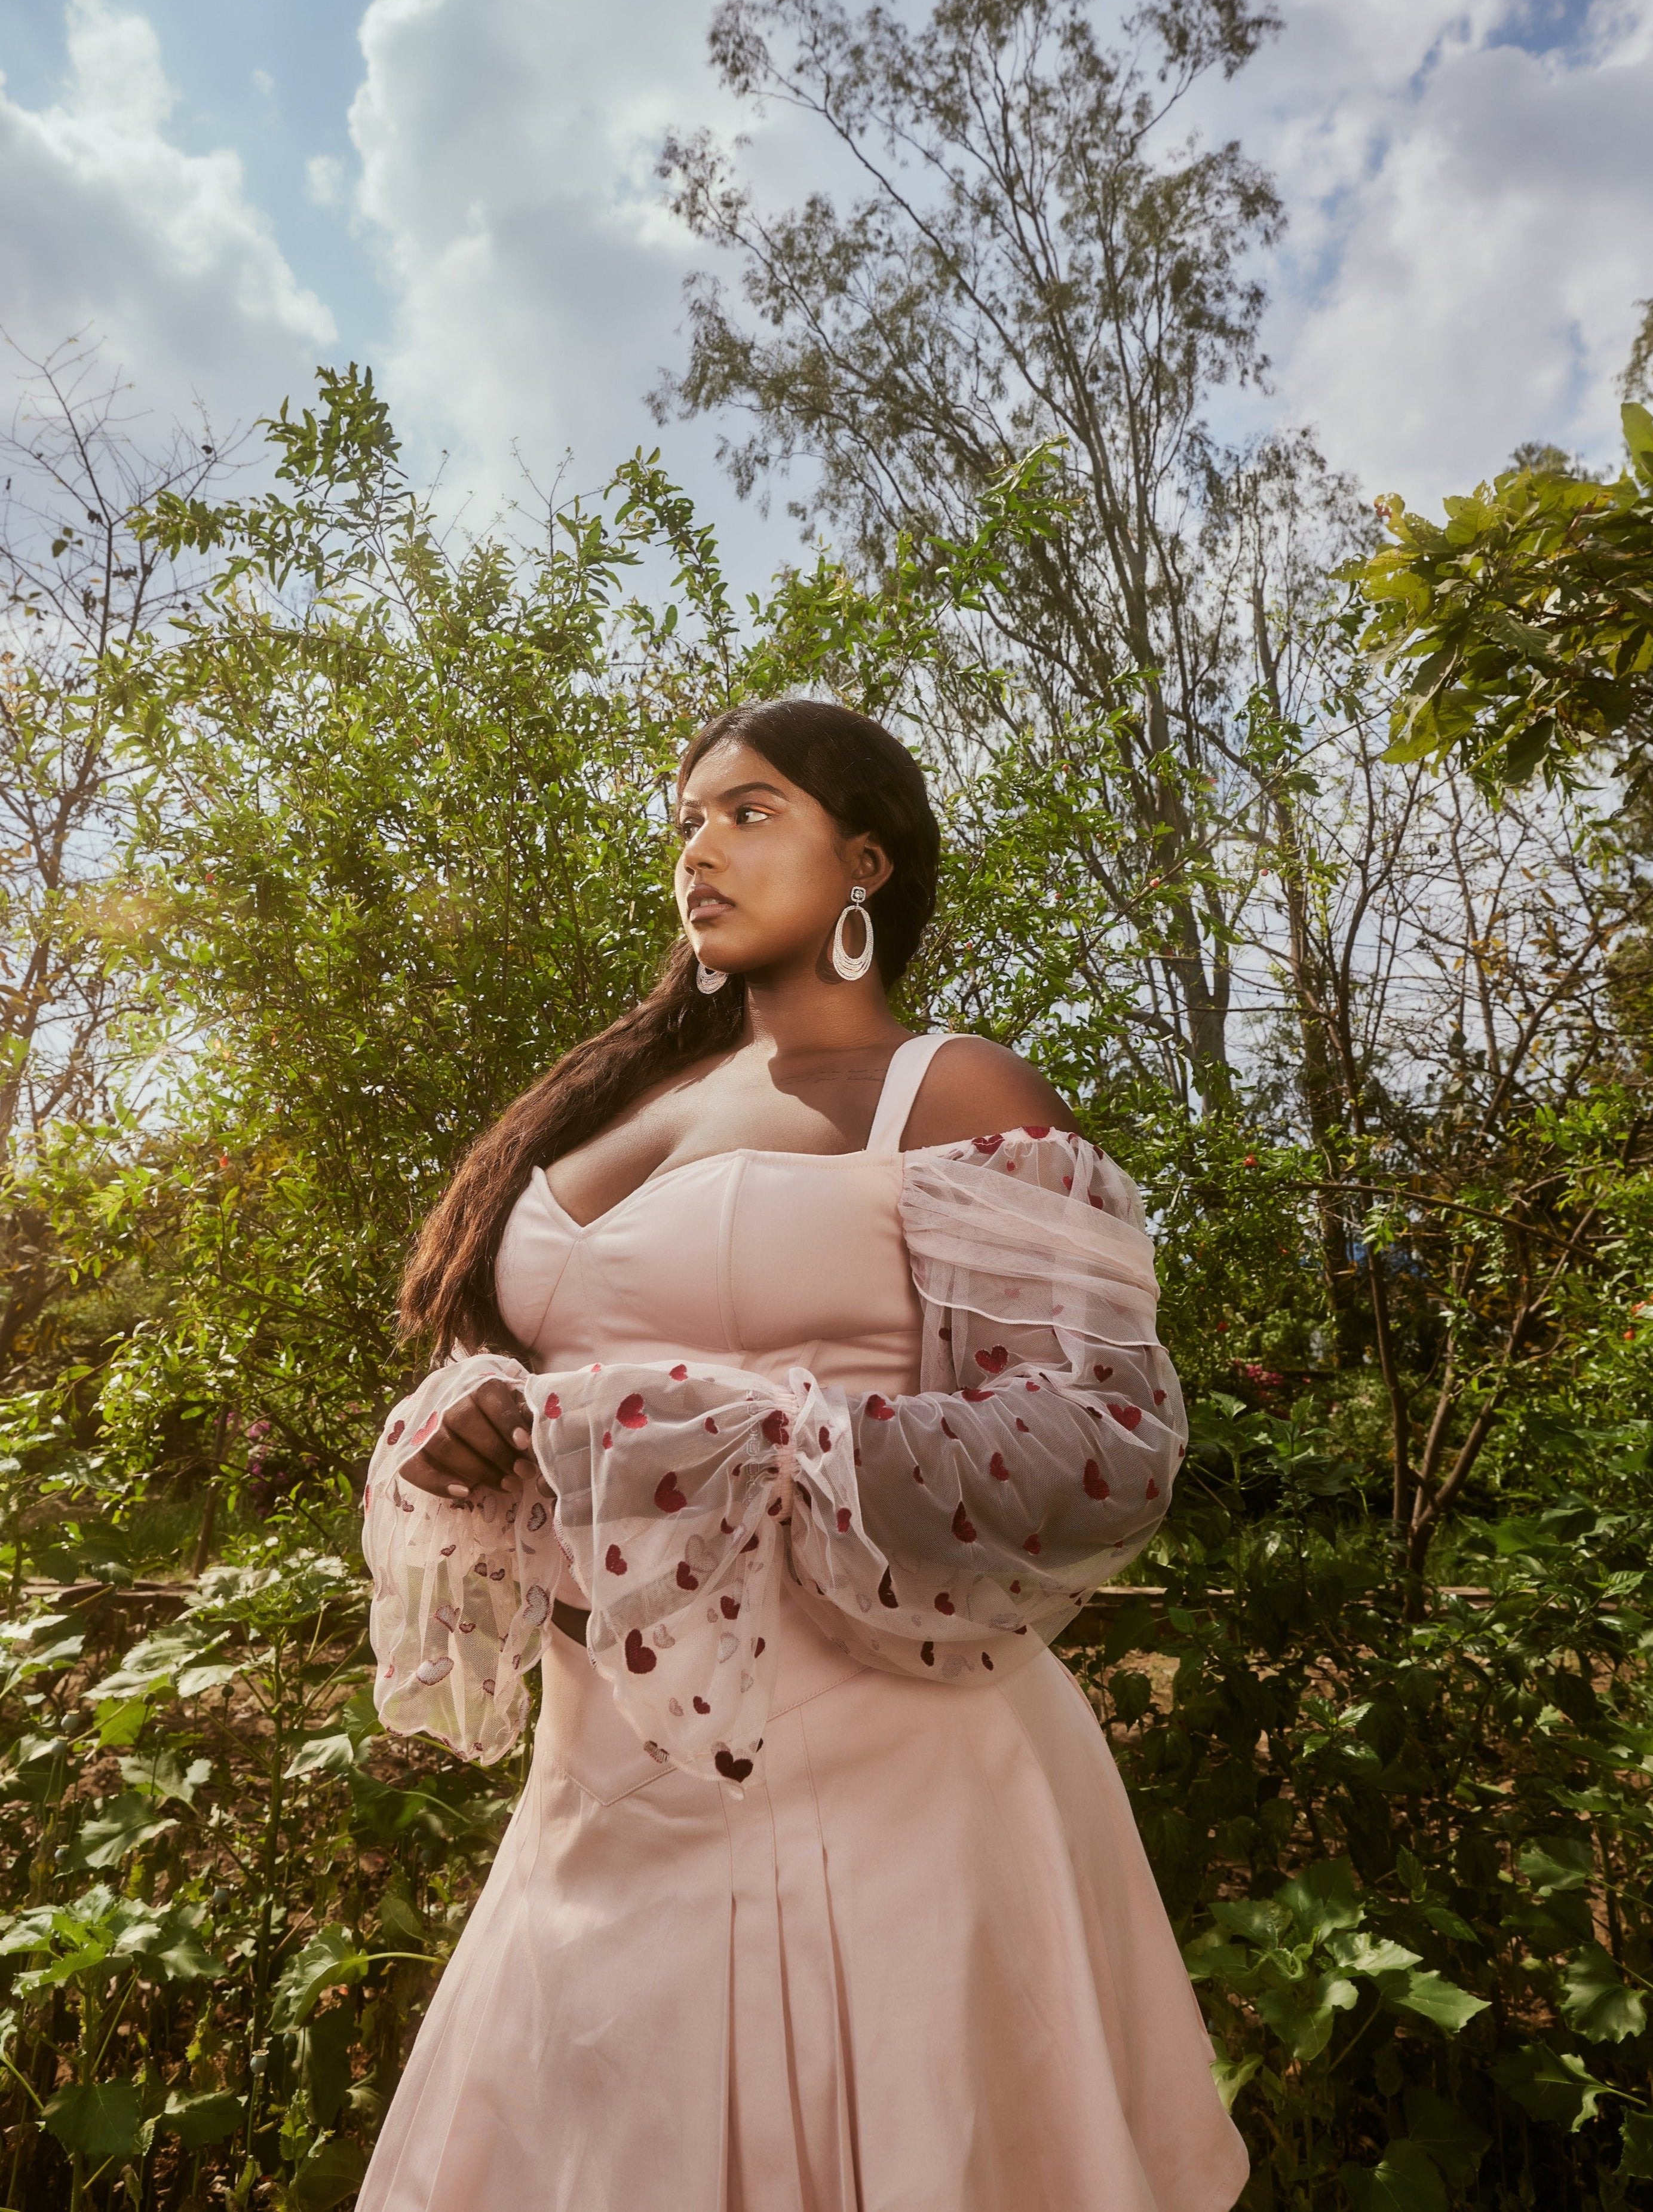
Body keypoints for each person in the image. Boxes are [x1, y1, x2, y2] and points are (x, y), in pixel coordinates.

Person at [355, 698, 1247, 2212]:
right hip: (602, 1778)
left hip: (878, 1770)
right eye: (686, 820)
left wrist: (754, 1437)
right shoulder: (622, 1100)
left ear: (867, 864)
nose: (698, 843)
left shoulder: (953, 1094)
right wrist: (471, 1414)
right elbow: (540, 1351)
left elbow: (1101, 1443)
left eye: (749, 811)